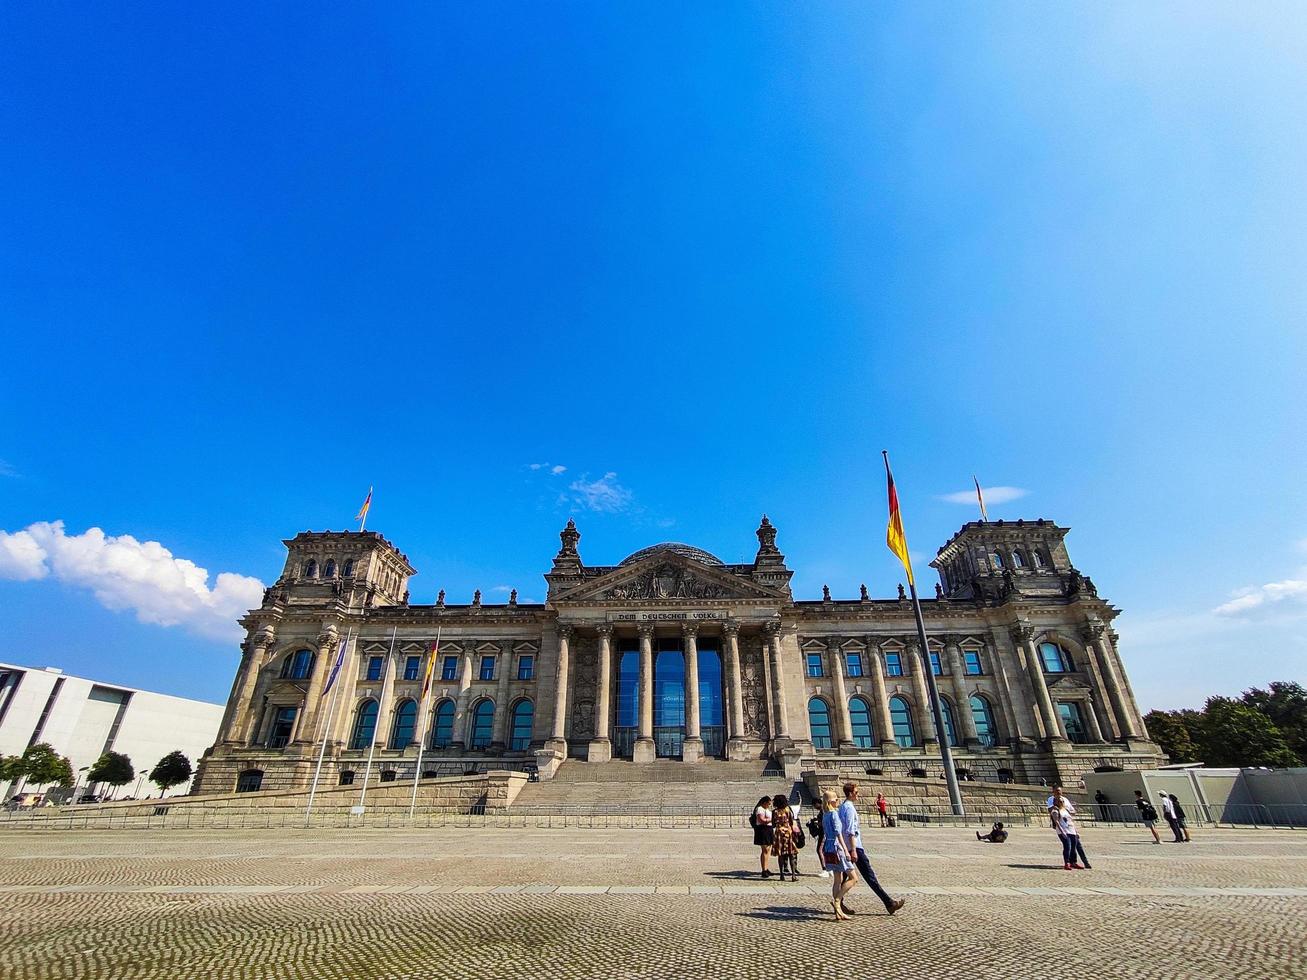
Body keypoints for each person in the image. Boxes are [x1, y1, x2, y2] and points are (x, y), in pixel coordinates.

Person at [839, 782, 905, 915]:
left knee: (844, 876)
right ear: (851, 793)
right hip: (854, 847)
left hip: (847, 846)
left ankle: (838, 903)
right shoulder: (849, 808)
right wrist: (852, 850)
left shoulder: (842, 807)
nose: (858, 795)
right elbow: (850, 830)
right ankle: (889, 903)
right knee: (869, 876)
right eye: (856, 792)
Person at [820, 789, 857, 921]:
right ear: (831, 802)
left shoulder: (824, 815)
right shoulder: (833, 814)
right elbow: (838, 833)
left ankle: (838, 912)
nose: (838, 801)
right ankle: (838, 900)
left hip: (828, 848)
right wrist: (846, 850)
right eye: (836, 800)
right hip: (837, 848)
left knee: (837, 880)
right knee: (853, 878)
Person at [1049, 787, 1091, 870]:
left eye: (1062, 801)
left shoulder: (1065, 809)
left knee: (1075, 846)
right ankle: (1067, 863)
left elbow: (1070, 820)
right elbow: (1056, 820)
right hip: (1063, 831)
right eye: (1059, 801)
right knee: (1067, 846)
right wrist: (1062, 831)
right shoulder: (1054, 808)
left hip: (1071, 830)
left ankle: (1075, 862)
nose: (1061, 802)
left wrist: (1076, 831)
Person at [771, 794, 799, 882]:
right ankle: (793, 875)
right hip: (788, 832)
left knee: (781, 854)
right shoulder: (788, 810)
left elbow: (773, 824)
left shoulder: (775, 812)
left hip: (779, 833)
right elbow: (791, 821)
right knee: (791, 854)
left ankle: (781, 874)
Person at [752, 796, 774, 877]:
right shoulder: (760, 809)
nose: (769, 805)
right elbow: (761, 820)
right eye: (768, 804)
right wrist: (771, 819)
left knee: (768, 850)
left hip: (768, 829)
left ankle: (766, 867)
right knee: (765, 850)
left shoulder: (766, 809)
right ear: (764, 802)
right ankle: (764, 870)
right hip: (763, 830)